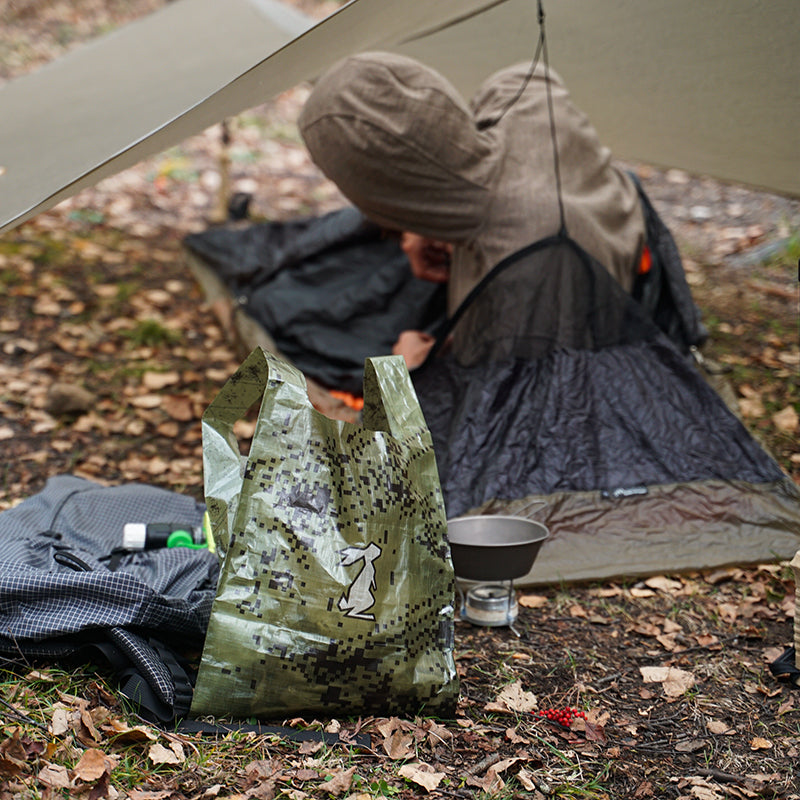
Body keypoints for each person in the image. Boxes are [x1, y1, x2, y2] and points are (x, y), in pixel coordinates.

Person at [298, 52, 648, 368]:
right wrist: (422, 223)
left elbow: (516, 420)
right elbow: (528, 72)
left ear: (382, 194)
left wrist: (408, 375)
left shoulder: (526, 273)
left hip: (585, 353)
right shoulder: (528, 101)